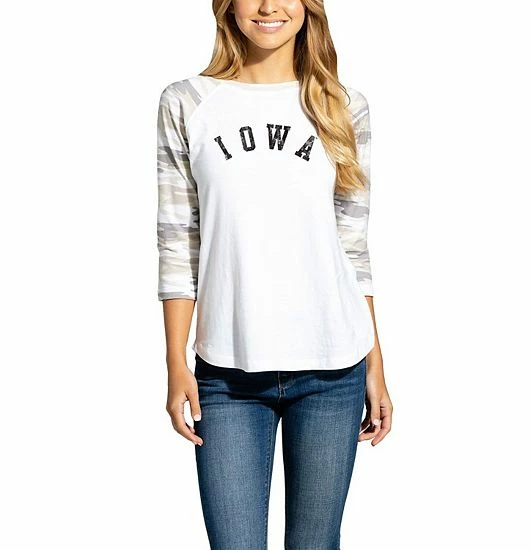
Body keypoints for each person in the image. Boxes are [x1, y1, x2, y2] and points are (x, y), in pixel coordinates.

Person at [156, 1, 393, 548]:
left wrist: (376, 364)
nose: (268, 6)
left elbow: (352, 249)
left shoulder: (343, 106)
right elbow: (177, 240)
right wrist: (175, 362)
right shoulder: (187, 102)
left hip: (333, 369)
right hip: (227, 374)